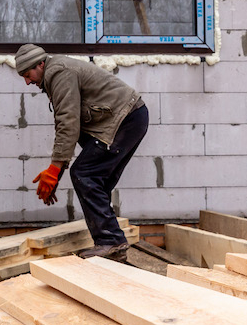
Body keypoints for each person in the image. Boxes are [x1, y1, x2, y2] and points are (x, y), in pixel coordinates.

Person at [14, 43, 148, 261]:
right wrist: (56, 173)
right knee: (95, 180)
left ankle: (111, 241)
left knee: (85, 174)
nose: (27, 82)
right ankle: (113, 248)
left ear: (40, 65)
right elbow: (71, 125)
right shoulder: (55, 73)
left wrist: (54, 169)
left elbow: (68, 123)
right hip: (128, 118)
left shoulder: (59, 73)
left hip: (124, 120)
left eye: (27, 75)